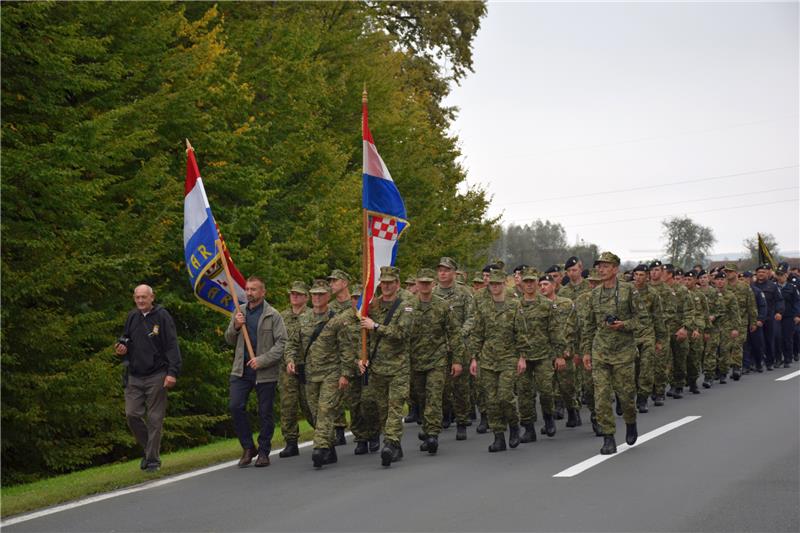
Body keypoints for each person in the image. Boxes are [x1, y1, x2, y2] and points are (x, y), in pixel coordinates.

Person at [580, 252, 643, 455]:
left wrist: (623, 325)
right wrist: (587, 352)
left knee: (625, 397)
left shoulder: (629, 291)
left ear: (615, 269)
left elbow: (641, 321)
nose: (601, 269)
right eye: (599, 266)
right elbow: (588, 325)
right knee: (601, 397)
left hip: (624, 352)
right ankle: (608, 437)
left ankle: (630, 421)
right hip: (601, 352)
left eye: (606, 266)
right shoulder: (595, 294)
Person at [115, 284, 181, 473]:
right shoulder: (132, 316)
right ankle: (149, 449)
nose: (141, 301)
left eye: (144, 297)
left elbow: (171, 345)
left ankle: (152, 460)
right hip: (134, 375)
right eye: (137, 298)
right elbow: (125, 338)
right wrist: (121, 346)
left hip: (157, 374)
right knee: (132, 414)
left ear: (152, 297)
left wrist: (172, 372)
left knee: (154, 419)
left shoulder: (162, 316)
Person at [296, 281, 360, 468]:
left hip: (331, 373)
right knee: (315, 413)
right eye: (314, 294)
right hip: (310, 374)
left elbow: (346, 349)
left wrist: (345, 374)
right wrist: (292, 360)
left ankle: (320, 448)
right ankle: (330, 448)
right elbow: (293, 343)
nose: (317, 298)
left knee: (325, 409)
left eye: (321, 294)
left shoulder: (337, 320)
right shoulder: (303, 318)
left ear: (327, 297)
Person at [225, 276, 288, 468]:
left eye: (253, 289)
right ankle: (247, 447)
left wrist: (262, 360)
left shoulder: (273, 315)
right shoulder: (239, 312)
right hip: (241, 370)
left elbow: (282, 343)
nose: (249, 292)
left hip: (264, 371)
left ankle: (263, 451)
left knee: (264, 412)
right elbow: (229, 339)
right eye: (247, 289)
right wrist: (236, 326)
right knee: (235, 406)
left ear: (263, 292)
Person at [408, 268, 466, 454]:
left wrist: (457, 360)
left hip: (437, 360)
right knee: (421, 397)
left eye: (428, 283)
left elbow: (455, 334)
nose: (424, 286)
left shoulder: (442, 306)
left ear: (433, 285)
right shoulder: (407, 307)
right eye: (421, 283)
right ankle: (427, 428)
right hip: (414, 361)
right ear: (416, 285)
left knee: (434, 396)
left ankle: (433, 435)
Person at [359, 266, 411, 467]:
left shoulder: (406, 306)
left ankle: (390, 443)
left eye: (391, 282)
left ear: (397, 284)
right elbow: (364, 335)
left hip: (398, 367)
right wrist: (361, 357)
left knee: (395, 406)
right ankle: (394, 444)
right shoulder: (372, 306)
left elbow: (402, 333)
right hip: (378, 367)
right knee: (382, 409)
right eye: (384, 282)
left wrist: (377, 327)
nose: (387, 286)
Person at [469, 269, 522, 453]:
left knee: (505, 396)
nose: (495, 287)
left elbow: (522, 333)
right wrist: (474, 358)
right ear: (488, 285)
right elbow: (477, 334)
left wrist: (522, 357)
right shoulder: (483, 306)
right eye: (492, 284)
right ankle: (498, 436)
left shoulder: (515, 305)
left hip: (509, 357)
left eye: (499, 284)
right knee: (491, 400)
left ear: (504, 285)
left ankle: (514, 425)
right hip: (487, 359)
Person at [514, 267, 566, 442]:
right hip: (522, 357)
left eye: (532, 282)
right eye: (526, 282)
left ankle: (549, 418)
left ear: (537, 283)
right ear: (521, 284)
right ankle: (528, 428)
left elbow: (555, 331)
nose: (529, 285)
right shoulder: (516, 306)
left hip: (544, 355)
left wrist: (559, 355)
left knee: (546, 391)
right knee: (524, 393)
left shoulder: (547, 305)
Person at [433, 257, 474, 440]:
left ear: (454, 272)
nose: (443, 273)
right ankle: (443, 415)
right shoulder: (432, 293)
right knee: (439, 385)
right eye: (440, 270)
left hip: (459, 346)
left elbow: (472, 317)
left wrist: (459, 336)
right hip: (437, 347)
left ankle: (462, 421)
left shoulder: (464, 293)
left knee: (460, 386)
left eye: (447, 270)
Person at [539, 274, 580, 427]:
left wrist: (569, 351)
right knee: (546, 390)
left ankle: (572, 411)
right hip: (543, 354)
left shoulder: (566, 304)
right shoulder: (536, 305)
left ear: (554, 286)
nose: (543, 287)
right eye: (541, 284)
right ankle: (549, 420)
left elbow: (573, 329)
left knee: (567, 387)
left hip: (564, 352)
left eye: (546, 284)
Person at [278, 281, 312, 458]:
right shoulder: (282, 317)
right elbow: (278, 341)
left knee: (310, 404)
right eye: (292, 293)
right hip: (287, 366)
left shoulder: (313, 315)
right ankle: (291, 441)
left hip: (309, 366)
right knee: (288, 404)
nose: (295, 296)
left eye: (299, 294)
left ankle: (324, 435)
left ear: (306, 297)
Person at [631, 264, 666, 412]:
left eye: (641, 275)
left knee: (646, 368)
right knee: (632, 370)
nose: (638, 278)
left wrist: (660, 339)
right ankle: (629, 398)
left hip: (647, 336)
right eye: (636, 275)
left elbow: (658, 318)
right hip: (630, 336)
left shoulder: (652, 294)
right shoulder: (627, 292)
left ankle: (643, 398)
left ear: (647, 276)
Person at [752, 263, 785, 370]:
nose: (761, 274)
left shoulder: (773, 286)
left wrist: (779, 312)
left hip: (770, 317)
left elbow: (779, 300)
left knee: (769, 340)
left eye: (763, 272)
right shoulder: (752, 286)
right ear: (756, 274)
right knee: (757, 341)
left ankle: (770, 362)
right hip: (756, 317)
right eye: (759, 272)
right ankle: (757, 362)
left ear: (767, 273)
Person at [775, 265, 800, 368]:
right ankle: (778, 358)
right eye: (778, 275)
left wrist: (798, 315)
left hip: (789, 316)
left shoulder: (792, 288)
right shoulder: (773, 287)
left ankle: (787, 358)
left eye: (782, 275)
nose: (780, 277)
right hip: (776, 316)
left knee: (787, 338)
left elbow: (797, 302)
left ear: (786, 275)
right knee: (777, 337)